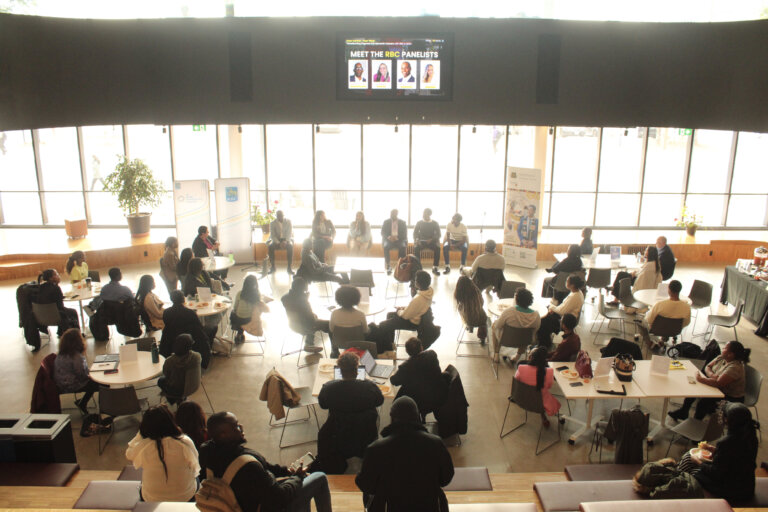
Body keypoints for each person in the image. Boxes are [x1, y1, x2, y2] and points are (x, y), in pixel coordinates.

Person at [199, 411, 332, 512]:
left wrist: (286, 472)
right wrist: (297, 476)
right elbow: (280, 498)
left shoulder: (207, 452)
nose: (241, 426)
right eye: (236, 426)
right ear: (223, 435)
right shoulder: (249, 467)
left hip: (238, 502)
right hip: (262, 506)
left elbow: (265, 467)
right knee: (319, 477)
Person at [356, 396, 454, 512]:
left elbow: (367, 485)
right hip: (429, 506)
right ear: (417, 417)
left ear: (392, 417)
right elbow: (446, 479)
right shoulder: (436, 443)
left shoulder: (376, 448)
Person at [316, 352, 384, 474]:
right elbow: (380, 401)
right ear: (357, 369)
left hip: (339, 436)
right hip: (365, 434)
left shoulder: (329, 388)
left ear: (340, 370)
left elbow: (323, 405)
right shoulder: (369, 387)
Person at [126, 405, 200, 502]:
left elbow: (129, 454)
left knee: (143, 482)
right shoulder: (184, 441)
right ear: (171, 421)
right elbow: (195, 464)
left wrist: (141, 434)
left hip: (151, 499)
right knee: (197, 479)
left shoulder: (144, 446)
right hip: (185, 497)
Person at [692, 402, 758, 503]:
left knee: (693, 471)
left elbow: (716, 473)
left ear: (727, 420)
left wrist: (698, 462)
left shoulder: (726, 442)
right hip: (747, 487)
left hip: (731, 492)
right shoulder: (751, 437)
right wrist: (715, 450)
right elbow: (736, 457)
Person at [668, 340, 750, 421]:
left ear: (730, 354)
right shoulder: (722, 357)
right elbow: (707, 366)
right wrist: (713, 376)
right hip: (718, 387)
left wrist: (701, 379)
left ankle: (696, 422)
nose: (723, 348)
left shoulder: (734, 367)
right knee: (694, 388)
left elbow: (718, 383)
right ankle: (683, 412)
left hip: (729, 396)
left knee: (704, 402)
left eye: (725, 348)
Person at [390, 338, 448, 419]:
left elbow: (394, 381)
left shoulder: (406, 367)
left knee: (397, 403)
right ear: (422, 347)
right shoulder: (432, 354)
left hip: (419, 401)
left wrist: (393, 373)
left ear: (407, 351)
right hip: (438, 395)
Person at [160, 290, 212, 369]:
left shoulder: (166, 312)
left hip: (171, 339)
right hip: (189, 338)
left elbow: (167, 324)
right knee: (210, 329)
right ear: (183, 299)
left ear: (171, 299)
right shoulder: (190, 313)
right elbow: (199, 327)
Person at [53, 328, 99, 414]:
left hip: (62, 383)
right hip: (73, 385)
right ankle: (85, 404)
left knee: (94, 382)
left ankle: (82, 402)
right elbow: (82, 376)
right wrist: (93, 375)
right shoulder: (76, 356)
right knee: (101, 384)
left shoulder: (60, 354)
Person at [492, 287, 541, 364]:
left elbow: (498, 325)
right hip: (525, 341)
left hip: (506, 340)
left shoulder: (509, 311)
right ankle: (517, 357)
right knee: (526, 333)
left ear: (516, 300)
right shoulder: (536, 315)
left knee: (494, 324)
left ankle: (496, 354)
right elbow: (536, 329)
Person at [514, 347, 560, 427]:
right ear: (545, 360)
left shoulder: (521, 368)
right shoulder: (549, 372)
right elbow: (549, 386)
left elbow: (516, 381)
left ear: (531, 357)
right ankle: (543, 416)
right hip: (541, 403)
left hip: (521, 399)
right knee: (545, 395)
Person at [379, 270, 434, 336]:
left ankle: (389, 344)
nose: (414, 281)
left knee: (383, 325)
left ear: (418, 283)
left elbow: (405, 316)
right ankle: (390, 343)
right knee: (390, 315)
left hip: (412, 322)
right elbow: (417, 307)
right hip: (419, 318)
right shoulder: (429, 292)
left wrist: (399, 310)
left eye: (415, 280)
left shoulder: (418, 298)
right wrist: (404, 308)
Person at [281, 277, 327, 353]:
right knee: (329, 325)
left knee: (312, 320)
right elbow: (311, 318)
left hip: (292, 325)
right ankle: (334, 352)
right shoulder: (303, 301)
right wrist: (305, 300)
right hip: (304, 327)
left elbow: (297, 309)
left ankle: (309, 344)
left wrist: (304, 298)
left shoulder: (284, 298)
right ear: (303, 289)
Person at [640, 279, 691, 348]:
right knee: (668, 323)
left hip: (657, 329)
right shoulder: (686, 307)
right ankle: (663, 340)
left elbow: (649, 320)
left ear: (669, 290)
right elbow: (687, 322)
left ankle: (650, 343)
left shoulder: (660, 305)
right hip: (675, 330)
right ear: (679, 290)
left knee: (642, 321)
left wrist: (648, 312)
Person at [536, 274, 584, 347]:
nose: (565, 282)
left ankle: (544, 344)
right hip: (567, 315)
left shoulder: (574, 296)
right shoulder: (577, 292)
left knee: (543, 321)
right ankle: (545, 341)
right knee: (547, 315)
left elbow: (562, 311)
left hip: (566, 320)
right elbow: (563, 307)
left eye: (567, 281)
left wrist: (551, 307)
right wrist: (553, 308)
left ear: (572, 285)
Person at [158, 334, 202, 401]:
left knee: (160, 381)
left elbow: (165, 373)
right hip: (192, 387)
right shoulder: (196, 357)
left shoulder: (169, 361)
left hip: (176, 390)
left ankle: (172, 400)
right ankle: (178, 399)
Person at [36, 269, 80, 334]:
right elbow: (60, 307)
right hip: (54, 316)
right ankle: (76, 334)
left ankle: (60, 332)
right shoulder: (56, 289)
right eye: (56, 274)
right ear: (50, 278)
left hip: (41, 316)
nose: (58, 275)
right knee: (73, 312)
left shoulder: (40, 287)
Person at [329, 286, 368, 357]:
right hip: (357, 343)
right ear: (356, 298)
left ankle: (334, 352)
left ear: (338, 298)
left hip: (339, 342)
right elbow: (365, 330)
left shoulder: (334, 313)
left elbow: (331, 330)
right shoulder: (360, 314)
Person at [231, 274, 269, 343]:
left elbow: (235, 307)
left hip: (239, 319)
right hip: (251, 319)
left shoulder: (240, 293)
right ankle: (241, 332)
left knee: (234, 314)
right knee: (250, 314)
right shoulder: (257, 295)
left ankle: (239, 333)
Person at [453, 275, 488, 342]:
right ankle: (482, 337)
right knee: (482, 317)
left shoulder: (459, 295)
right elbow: (482, 303)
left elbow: (457, 300)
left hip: (467, 319)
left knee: (462, 308)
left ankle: (470, 327)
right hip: (480, 319)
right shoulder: (476, 291)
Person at [413, 208, 441, 275]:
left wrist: (432, 239)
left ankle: (435, 267)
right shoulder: (419, 223)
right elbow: (415, 233)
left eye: (425, 213)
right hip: (421, 242)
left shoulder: (435, 223)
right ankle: (418, 267)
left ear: (429, 214)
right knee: (416, 248)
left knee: (438, 248)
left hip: (431, 242)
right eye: (423, 213)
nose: (423, 214)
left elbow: (439, 234)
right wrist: (417, 240)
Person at [381, 209, 407, 274]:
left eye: (393, 214)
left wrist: (397, 238)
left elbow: (404, 233)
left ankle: (400, 265)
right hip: (389, 240)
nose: (392, 215)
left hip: (399, 240)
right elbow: (382, 232)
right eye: (391, 214)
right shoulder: (386, 222)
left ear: (396, 214)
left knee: (403, 247)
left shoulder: (402, 222)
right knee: (386, 247)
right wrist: (389, 237)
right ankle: (388, 266)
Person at [267, 210, 294, 274]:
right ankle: (273, 267)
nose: (280, 217)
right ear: (276, 216)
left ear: (283, 215)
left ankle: (289, 268)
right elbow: (272, 235)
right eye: (278, 216)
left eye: (281, 215)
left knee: (290, 247)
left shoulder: (288, 222)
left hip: (286, 239)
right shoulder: (272, 223)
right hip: (277, 240)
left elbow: (289, 233)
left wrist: (286, 241)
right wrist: (278, 243)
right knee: (270, 247)